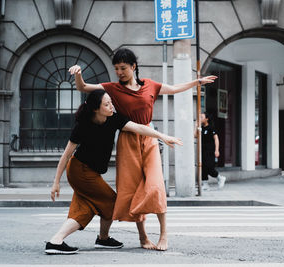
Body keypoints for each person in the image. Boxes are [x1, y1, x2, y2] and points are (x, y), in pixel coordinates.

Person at [69, 48, 216, 251]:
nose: (119, 72)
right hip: (128, 139)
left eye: (123, 68)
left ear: (133, 66)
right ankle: (143, 237)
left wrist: (196, 82)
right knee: (133, 189)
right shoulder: (111, 88)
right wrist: (78, 74)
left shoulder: (150, 85)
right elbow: (83, 87)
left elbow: (173, 89)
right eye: (116, 69)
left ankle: (164, 234)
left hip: (148, 137)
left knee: (156, 185)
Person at [45, 89, 182, 255]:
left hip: (90, 173)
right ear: (96, 108)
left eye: (111, 102)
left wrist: (162, 136)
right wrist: (56, 183)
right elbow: (66, 155)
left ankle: (65, 240)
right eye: (107, 104)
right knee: (110, 204)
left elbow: (139, 127)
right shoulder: (83, 125)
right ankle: (95, 239)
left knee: (84, 206)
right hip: (80, 171)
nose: (111, 106)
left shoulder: (113, 119)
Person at [195, 112, 226, 190]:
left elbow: (216, 139)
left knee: (209, 167)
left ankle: (220, 177)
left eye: (202, 117)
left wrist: (217, 150)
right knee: (203, 167)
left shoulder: (211, 128)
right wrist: (196, 126)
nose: (200, 119)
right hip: (202, 150)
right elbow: (195, 136)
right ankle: (205, 184)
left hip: (210, 151)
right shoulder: (200, 128)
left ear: (206, 119)